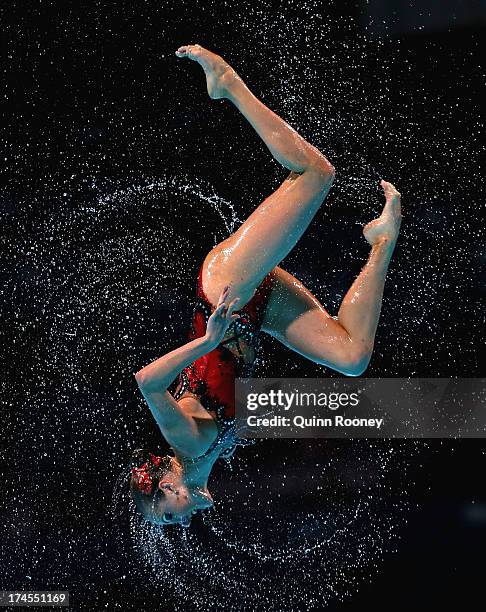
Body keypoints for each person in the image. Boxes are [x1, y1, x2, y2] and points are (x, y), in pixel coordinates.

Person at [130, 44, 402, 527]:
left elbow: (147, 383)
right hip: (253, 313)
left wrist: (207, 341)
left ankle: (227, 82)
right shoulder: (207, 457)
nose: (180, 520)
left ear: (168, 485)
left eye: (170, 515)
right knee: (351, 357)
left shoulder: (188, 444)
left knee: (316, 174)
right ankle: (381, 241)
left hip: (226, 291)